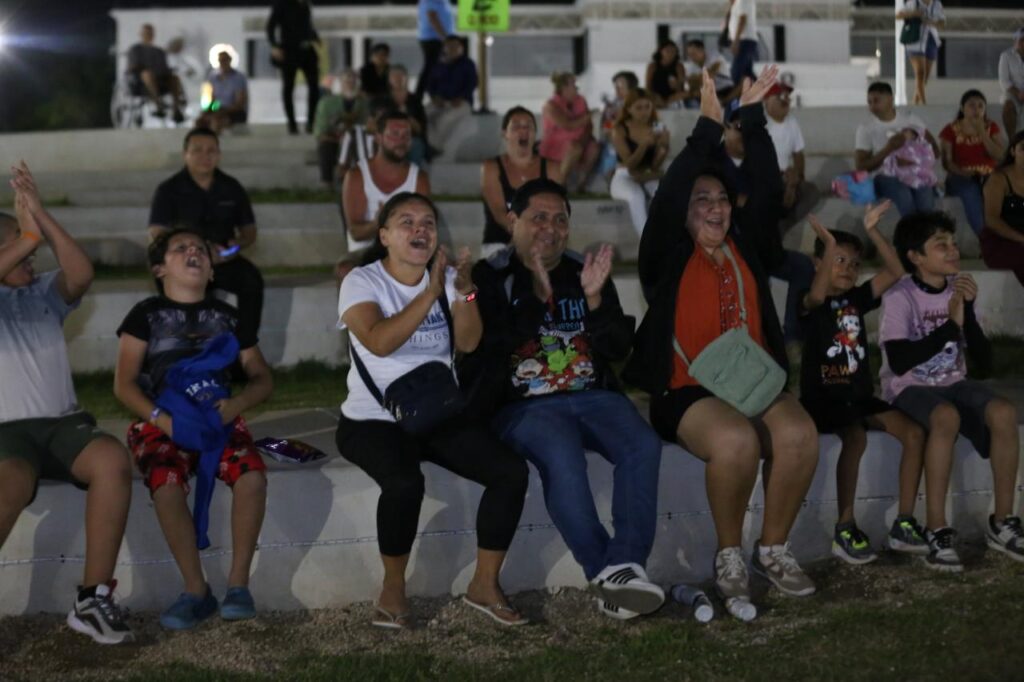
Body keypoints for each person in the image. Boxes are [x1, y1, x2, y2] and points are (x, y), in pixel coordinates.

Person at [625, 68, 820, 603]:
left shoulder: (745, 245)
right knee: (736, 441)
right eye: (701, 200)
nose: (715, 207)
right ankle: (729, 552)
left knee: (800, 434)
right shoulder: (666, 254)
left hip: (750, 380)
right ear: (683, 213)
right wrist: (708, 127)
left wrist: (751, 118)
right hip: (686, 389)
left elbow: (767, 185)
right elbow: (670, 194)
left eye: (722, 199)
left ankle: (772, 549)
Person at [469, 178, 665, 621]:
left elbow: (618, 348)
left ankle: (625, 567)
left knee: (642, 445)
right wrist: (536, 301)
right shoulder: (489, 276)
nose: (550, 228)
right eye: (538, 217)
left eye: (560, 219)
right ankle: (604, 571)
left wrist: (594, 300)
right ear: (513, 221)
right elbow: (483, 347)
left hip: (594, 396)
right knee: (563, 456)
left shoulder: (583, 269)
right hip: (523, 406)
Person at [336, 192, 529, 628]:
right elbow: (379, 341)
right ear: (385, 236)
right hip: (372, 420)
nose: (419, 229)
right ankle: (393, 588)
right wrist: (430, 293)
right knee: (404, 483)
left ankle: (484, 584)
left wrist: (466, 294)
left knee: (510, 472)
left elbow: (468, 343)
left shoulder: (446, 278)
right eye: (406, 222)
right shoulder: (362, 282)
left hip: (435, 412)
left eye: (427, 222)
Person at [0, 162, 134, 645]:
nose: (31, 253)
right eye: (18, 245)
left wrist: (40, 217)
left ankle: (92, 599)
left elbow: (81, 272)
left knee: (112, 460)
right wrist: (27, 235)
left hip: (61, 425)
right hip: (6, 434)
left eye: (31, 247)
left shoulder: (41, 293)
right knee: (10, 484)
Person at [114, 228, 273, 628]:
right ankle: (196, 589)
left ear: (212, 270)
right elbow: (124, 384)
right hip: (161, 420)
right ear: (159, 268)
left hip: (218, 419)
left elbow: (261, 378)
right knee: (166, 486)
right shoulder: (145, 315)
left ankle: (238, 585)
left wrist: (236, 406)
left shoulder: (229, 318)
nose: (193, 252)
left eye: (201, 248)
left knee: (252, 477)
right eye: (181, 248)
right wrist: (163, 421)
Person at [882, 211, 1022, 570]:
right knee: (945, 417)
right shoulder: (900, 296)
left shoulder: (958, 288)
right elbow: (899, 361)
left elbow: (985, 364)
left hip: (953, 382)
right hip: (908, 386)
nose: (953, 250)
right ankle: (937, 529)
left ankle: (1003, 521)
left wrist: (969, 312)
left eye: (954, 243)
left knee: (1004, 412)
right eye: (940, 245)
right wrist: (948, 327)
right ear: (915, 256)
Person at [799, 205, 929, 565]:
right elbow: (815, 298)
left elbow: (897, 270)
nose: (848, 269)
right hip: (824, 399)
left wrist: (873, 231)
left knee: (915, 433)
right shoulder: (809, 300)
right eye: (838, 261)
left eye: (854, 264)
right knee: (855, 437)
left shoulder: (856, 299)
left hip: (859, 397)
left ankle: (904, 522)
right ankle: (845, 527)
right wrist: (828, 246)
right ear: (818, 263)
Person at [149, 128, 264, 343]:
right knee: (174, 281)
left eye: (211, 151)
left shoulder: (232, 187)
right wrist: (190, 250)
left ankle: (245, 347)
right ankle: (183, 345)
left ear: (219, 154)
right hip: (186, 262)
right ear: (185, 154)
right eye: (197, 150)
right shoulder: (168, 190)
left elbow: (249, 231)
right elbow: (157, 232)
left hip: (224, 259)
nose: (205, 156)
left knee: (252, 281)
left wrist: (236, 246)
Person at [338, 111, 431, 281]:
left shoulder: (419, 178)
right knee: (345, 270)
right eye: (394, 134)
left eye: (406, 135)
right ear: (378, 138)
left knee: (447, 267)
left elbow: (425, 229)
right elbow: (356, 233)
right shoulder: (357, 175)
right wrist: (378, 224)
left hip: (407, 249)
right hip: (366, 249)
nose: (401, 141)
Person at [480, 106, 565, 258]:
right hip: (499, 243)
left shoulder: (552, 168)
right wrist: (524, 238)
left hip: (542, 241)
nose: (523, 130)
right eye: (516, 126)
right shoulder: (491, 167)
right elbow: (499, 212)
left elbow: (556, 211)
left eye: (528, 126)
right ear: (504, 133)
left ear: (535, 133)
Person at [855, 82, 939, 217]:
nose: (872, 106)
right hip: (884, 176)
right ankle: (911, 229)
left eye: (876, 101)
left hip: (915, 173)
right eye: (869, 102)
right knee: (903, 193)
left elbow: (934, 149)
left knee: (925, 195)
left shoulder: (910, 120)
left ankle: (925, 229)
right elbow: (861, 166)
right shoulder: (866, 128)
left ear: (890, 99)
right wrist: (889, 149)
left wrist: (915, 161)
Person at [939, 90, 1005, 236]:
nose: (976, 109)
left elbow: (1000, 156)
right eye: (972, 105)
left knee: (997, 188)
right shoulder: (950, 129)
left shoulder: (991, 127)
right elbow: (947, 163)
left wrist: (982, 132)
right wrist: (964, 173)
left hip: (988, 175)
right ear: (962, 108)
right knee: (970, 190)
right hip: (959, 176)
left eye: (981, 106)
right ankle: (985, 238)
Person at [609, 89, 670, 236]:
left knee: (661, 195)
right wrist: (644, 145)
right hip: (624, 175)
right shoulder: (620, 129)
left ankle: (667, 238)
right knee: (636, 195)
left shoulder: (656, 127)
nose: (644, 112)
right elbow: (629, 164)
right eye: (639, 108)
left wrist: (663, 147)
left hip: (647, 175)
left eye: (647, 107)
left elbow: (654, 166)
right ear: (629, 109)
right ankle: (646, 241)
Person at [763, 81, 819, 230]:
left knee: (811, 192)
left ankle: (787, 225)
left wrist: (797, 180)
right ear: (766, 100)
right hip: (765, 179)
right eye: (780, 96)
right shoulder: (761, 123)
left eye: (787, 97)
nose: (785, 100)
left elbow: (798, 154)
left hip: (787, 178)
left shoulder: (792, 121)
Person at [539, 72, 600, 193]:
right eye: (574, 84)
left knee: (594, 147)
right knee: (574, 148)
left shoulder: (581, 100)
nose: (577, 87)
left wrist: (584, 139)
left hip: (579, 140)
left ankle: (581, 185)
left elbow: (589, 126)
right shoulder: (551, 105)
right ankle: (559, 183)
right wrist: (588, 116)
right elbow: (567, 125)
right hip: (556, 144)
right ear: (564, 87)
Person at [266, 0, 320, 134]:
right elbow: (270, 26)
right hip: (289, 51)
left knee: (314, 86)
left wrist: (315, 37)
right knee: (288, 87)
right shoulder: (282, 4)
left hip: (307, 50)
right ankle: (292, 124)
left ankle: (310, 122)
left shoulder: (306, 5)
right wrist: (274, 46)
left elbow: (306, 26)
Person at [312, 68, 370, 188]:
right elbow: (320, 130)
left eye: (353, 80)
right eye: (346, 80)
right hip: (334, 139)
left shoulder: (365, 103)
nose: (350, 83)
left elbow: (369, 125)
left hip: (358, 139)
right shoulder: (326, 103)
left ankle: (363, 183)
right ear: (340, 82)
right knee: (326, 146)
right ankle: (327, 183)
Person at [980, 130, 1024, 286]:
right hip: (1001, 241)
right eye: (1023, 148)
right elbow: (991, 219)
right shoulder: (998, 179)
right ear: (1013, 151)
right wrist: (1021, 239)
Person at [425, 35, 478, 153]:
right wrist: (434, 97)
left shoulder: (468, 64)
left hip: (461, 103)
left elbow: (472, 83)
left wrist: (461, 97)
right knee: (423, 115)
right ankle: (431, 145)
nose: (452, 49)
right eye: (449, 46)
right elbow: (430, 84)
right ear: (444, 48)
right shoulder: (438, 64)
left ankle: (436, 148)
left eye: (455, 46)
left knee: (445, 120)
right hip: (440, 102)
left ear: (461, 48)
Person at [127, 23, 185, 122]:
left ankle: (176, 109)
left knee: (174, 78)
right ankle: (158, 104)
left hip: (160, 79)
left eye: (150, 33)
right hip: (141, 82)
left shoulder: (159, 51)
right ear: (141, 34)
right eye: (146, 33)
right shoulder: (135, 50)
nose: (148, 35)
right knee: (146, 74)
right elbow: (132, 66)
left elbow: (165, 67)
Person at [374, 65, 430, 166]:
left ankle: (412, 174)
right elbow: (373, 124)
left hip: (411, 138)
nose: (397, 79)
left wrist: (406, 116)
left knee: (416, 145)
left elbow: (420, 129)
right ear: (389, 79)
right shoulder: (381, 99)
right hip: (388, 137)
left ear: (406, 78)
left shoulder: (415, 100)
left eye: (400, 76)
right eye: (394, 76)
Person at [897, 0, 945, 106]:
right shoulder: (913, 2)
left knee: (924, 78)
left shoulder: (937, 4)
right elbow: (899, 15)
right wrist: (914, 14)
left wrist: (929, 22)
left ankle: (916, 103)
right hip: (915, 40)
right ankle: (924, 104)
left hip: (931, 39)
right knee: (920, 73)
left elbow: (942, 23)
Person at [196, 51, 249, 133]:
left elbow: (239, 103)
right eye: (220, 61)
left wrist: (221, 112)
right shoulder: (213, 78)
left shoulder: (238, 78)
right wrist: (208, 111)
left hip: (235, 112)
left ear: (230, 60)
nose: (222, 63)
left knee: (216, 121)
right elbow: (213, 101)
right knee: (200, 120)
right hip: (218, 109)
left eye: (224, 60)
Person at [415, 0, 454, 104]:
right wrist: (445, 38)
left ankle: (435, 95)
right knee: (429, 69)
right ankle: (418, 97)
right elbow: (432, 18)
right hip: (432, 39)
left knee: (436, 68)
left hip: (438, 39)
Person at [683, 39, 736, 108]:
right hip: (708, 92)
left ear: (702, 50)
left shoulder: (714, 56)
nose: (692, 57)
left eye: (694, 54)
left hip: (726, 89)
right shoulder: (691, 66)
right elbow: (692, 86)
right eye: (689, 55)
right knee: (692, 96)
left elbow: (710, 76)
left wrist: (695, 79)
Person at [645, 40, 687, 109]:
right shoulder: (653, 66)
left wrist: (676, 84)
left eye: (673, 51)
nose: (670, 54)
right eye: (667, 51)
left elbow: (681, 88)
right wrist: (654, 97)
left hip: (673, 96)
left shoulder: (679, 66)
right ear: (661, 51)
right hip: (656, 95)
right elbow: (648, 86)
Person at [998, 28, 1024, 137]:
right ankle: (1012, 141)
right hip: (1012, 93)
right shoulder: (1006, 56)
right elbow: (1004, 81)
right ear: (1015, 41)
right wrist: (1018, 93)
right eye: (1021, 40)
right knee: (1008, 106)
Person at [727, 0, 759, 87]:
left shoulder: (742, 1)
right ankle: (768, 92)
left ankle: (768, 91)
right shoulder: (738, 3)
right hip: (746, 41)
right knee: (747, 73)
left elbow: (742, 20)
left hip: (744, 41)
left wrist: (736, 41)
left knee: (736, 74)